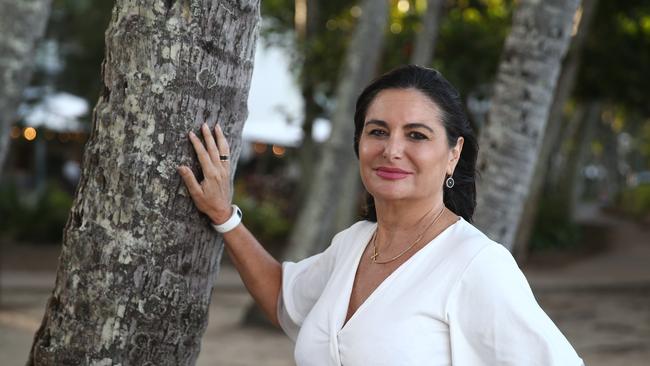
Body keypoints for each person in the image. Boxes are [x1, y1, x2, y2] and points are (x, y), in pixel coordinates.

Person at [177, 65, 584, 365]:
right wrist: (224, 214)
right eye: (377, 131)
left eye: (417, 135)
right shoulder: (353, 244)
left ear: (453, 153)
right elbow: (284, 299)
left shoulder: (477, 265)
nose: (391, 149)